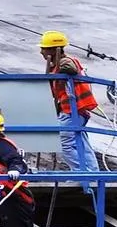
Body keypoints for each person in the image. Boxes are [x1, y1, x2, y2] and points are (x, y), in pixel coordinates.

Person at [39, 31, 99, 171]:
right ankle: (93, 171)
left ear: (54, 50)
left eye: (43, 48)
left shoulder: (65, 61)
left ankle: (80, 172)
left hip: (73, 110)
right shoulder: (56, 64)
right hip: (74, 110)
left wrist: (56, 71)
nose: (41, 51)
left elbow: (70, 69)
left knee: (63, 142)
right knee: (81, 142)